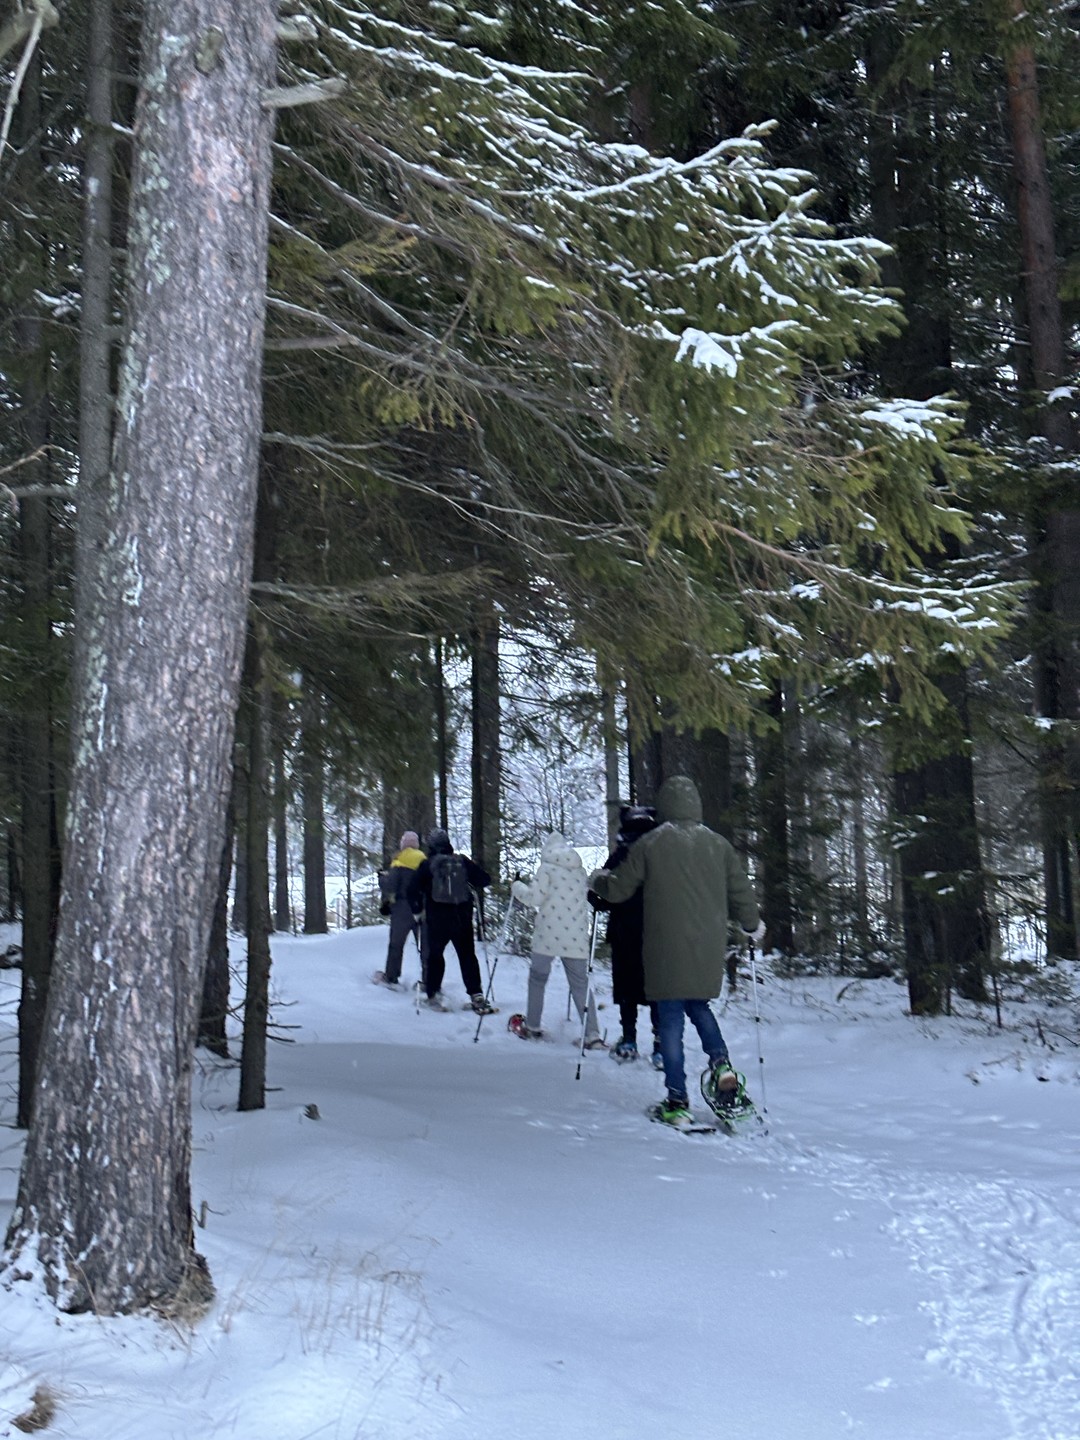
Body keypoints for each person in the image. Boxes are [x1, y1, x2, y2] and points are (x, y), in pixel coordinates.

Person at [589, 775, 764, 1128]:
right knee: (700, 1007)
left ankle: (676, 1099)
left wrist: (596, 880)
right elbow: (742, 893)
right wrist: (751, 924)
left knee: (670, 1020)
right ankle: (721, 1065)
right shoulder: (719, 845)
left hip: (664, 947)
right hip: (706, 946)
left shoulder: (651, 844)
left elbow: (619, 889)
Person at [509, 833, 605, 1049]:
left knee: (538, 978)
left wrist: (516, 887)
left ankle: (532, 1026)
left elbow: (534, 898)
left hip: (547, 935)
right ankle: (593, 1035)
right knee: (580, 984)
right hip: (576, 936)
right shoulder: (580, 871)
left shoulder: (546, 869)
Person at [588, 804, 661, 1065]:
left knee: (627, 986)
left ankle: (629, 1039)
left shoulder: (621, 854)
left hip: (624, 931)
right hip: (658, 932)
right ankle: (660, 1043)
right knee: (656, 987)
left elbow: (603, 893)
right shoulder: (660, 851)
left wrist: (595, 896)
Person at [407, 828, 495, 1014]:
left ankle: (433, 993)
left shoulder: (428, 864)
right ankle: (476, 994)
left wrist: (417, 910)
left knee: (435, 956)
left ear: (430, 846)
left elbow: (411, 889)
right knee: (467, 955)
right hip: (461, 917)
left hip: (437, 918)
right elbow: (485, 879)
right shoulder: (461, 861)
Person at [374, 831, 426, 989]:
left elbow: (391, 886)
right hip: (422, 907)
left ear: (403, 845)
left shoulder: (399, 860)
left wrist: (382, 878)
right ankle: (428, 980)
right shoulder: (424, 860)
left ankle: (391, 976)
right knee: (424, 945)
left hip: (402, 908)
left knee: (396, 944)